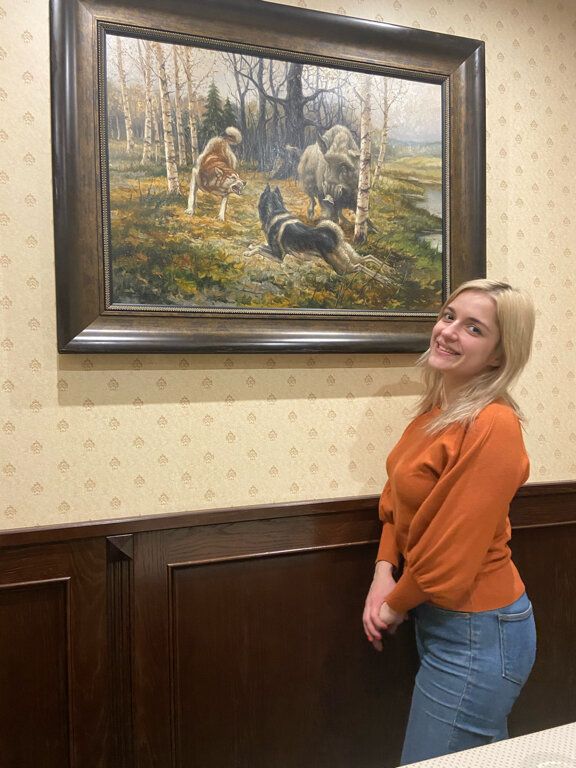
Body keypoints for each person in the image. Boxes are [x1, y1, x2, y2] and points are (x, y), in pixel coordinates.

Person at [362, 279, 537, 764]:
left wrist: (393, 606)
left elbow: (453, 549)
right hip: (444, 619)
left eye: (474, 328)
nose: (448, 331)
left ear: (500, 355)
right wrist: (383, 570)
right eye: (448, 316)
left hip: (479, 631)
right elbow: (397, 502)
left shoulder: (494, 424)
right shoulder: (434, 413)